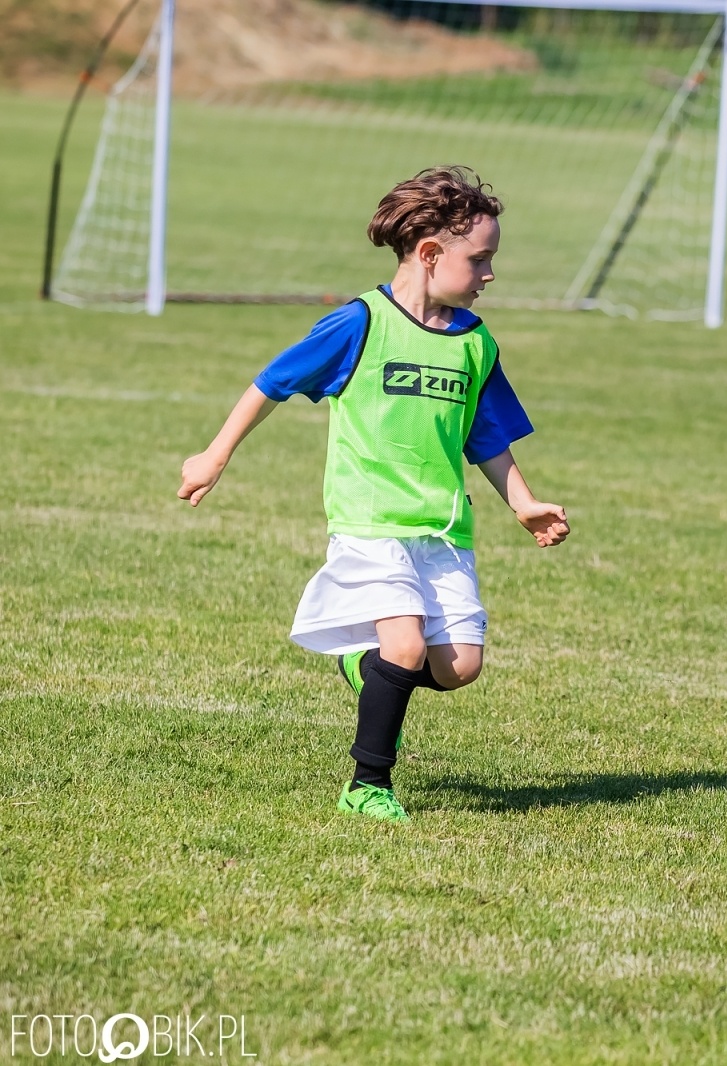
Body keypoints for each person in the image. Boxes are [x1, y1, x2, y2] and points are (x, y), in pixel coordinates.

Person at [178, 166, 570, 823]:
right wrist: (215, 454)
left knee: (458, 666)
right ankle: (369, 784)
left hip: (443, 529)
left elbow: (488, 436)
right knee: (409, 647)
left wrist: (524, 504)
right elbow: (273, 382)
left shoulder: (475, 345)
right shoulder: (360, 323)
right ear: (428, 253)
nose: (489, 275)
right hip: (370, 521)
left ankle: (368, 667)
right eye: (481, 260)